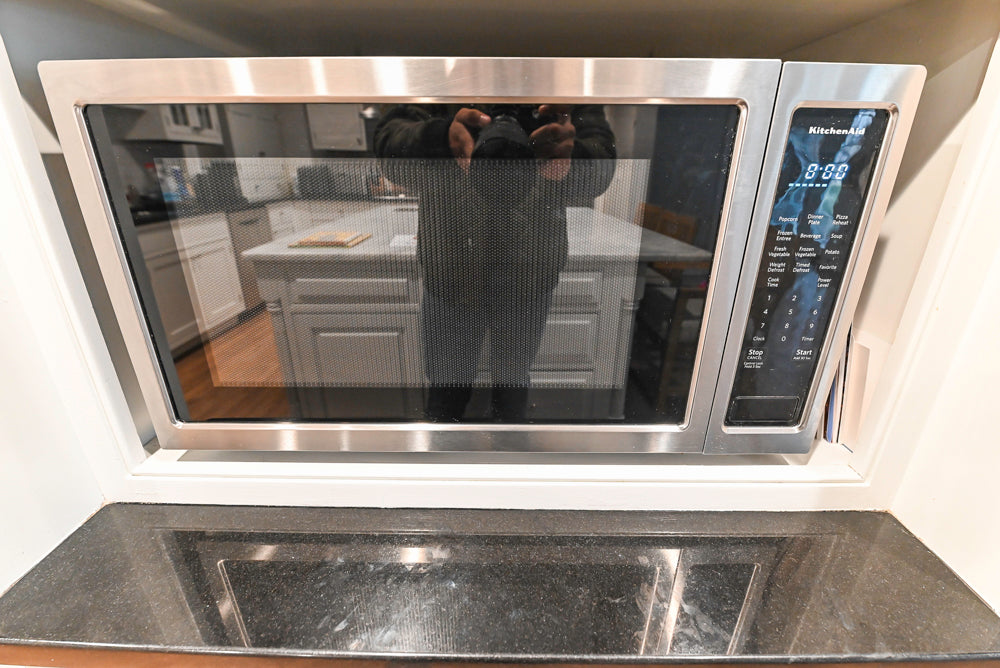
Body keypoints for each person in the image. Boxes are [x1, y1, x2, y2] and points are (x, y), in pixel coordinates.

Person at [374, 104, 615, 421]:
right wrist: (441, 136)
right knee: (454, 391)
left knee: (505, 387)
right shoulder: (557, 75)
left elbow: (599, 174)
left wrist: (571, 155)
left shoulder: (562, 83)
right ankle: (473, 457)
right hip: (468, 273)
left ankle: (484, 455)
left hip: (501, 272)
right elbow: (390, 156)